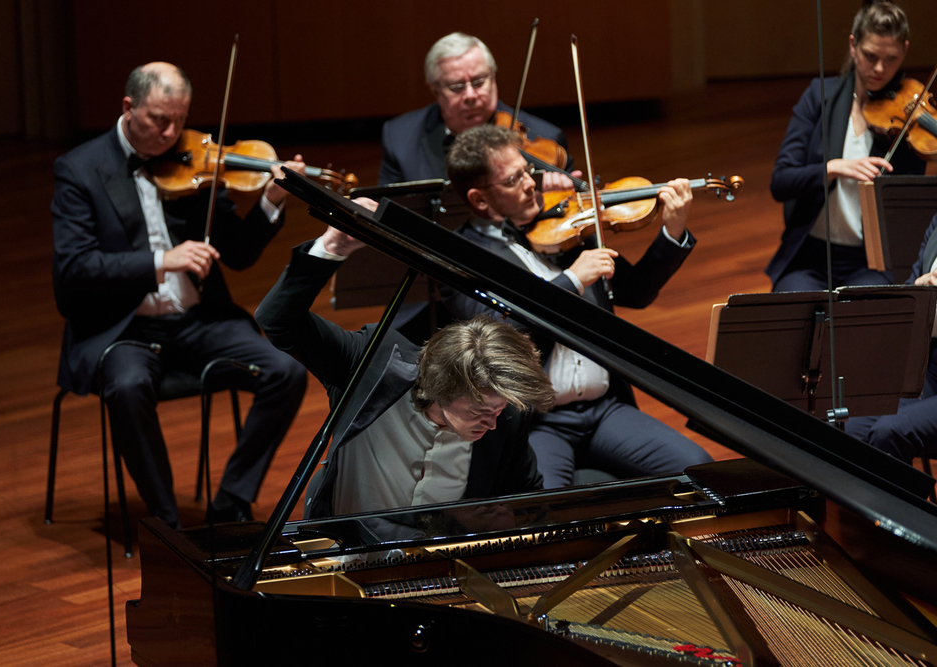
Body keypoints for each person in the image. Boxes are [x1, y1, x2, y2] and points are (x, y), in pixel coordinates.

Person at [51, 62, 308, 529]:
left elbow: (238, 253)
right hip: (124, 327)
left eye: (179, 120)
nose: (171, 134)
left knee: (286, 371)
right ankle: (167, 524)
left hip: (198, 321)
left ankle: (231, 500)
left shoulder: (195, 158)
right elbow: (74, 270)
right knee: (127, 387)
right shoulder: (80, 171)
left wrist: (271, 200)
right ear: (128, 108)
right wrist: (158, 262)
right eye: (158, 120)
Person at [441, 124, 713, 488]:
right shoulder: (461, 258)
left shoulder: (566, 228)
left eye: (527, 172)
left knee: (697, 469)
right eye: (512, 180)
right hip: (538, 421)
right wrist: (570, 281)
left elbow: (635, 291)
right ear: (479, 200)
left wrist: (672, 231)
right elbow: (496, 338)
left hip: (604, 409)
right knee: (548, 505)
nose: (529, 185)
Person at [254, 223, 556, 519]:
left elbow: (530, 502)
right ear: (443, 385)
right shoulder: (371, 364)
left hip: (442, 561)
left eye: (497, 410)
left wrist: (503, 521)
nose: (491, 424)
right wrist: (332, 248)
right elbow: (278, 320)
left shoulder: (507, 418)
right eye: (480, 411)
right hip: (346, 551)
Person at [768, 1, 937, 292]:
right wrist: (834, 168)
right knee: (789, 311)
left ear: (905, 50)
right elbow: (780, 182)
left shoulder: (908, 122)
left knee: (870, 319)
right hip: (810, 258)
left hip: (870, 263)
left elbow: (915, 218)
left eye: (892, 59)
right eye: (870, 56)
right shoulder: (820, 97)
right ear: (853, 45)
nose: (880, 69)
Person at [379, 32, 576, 192]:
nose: (470, 95)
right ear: (435, 89)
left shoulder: (546, 141)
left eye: (479, 81)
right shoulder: (399, 139)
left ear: (494, 78)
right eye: (457, 86)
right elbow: (386, 217)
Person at [846, 194, 937, 465]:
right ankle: (859, 509)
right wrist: (923, 285)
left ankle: (903, 510)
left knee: (890, 432)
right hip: (931, 371)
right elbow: (906, 304)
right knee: (849, 430)